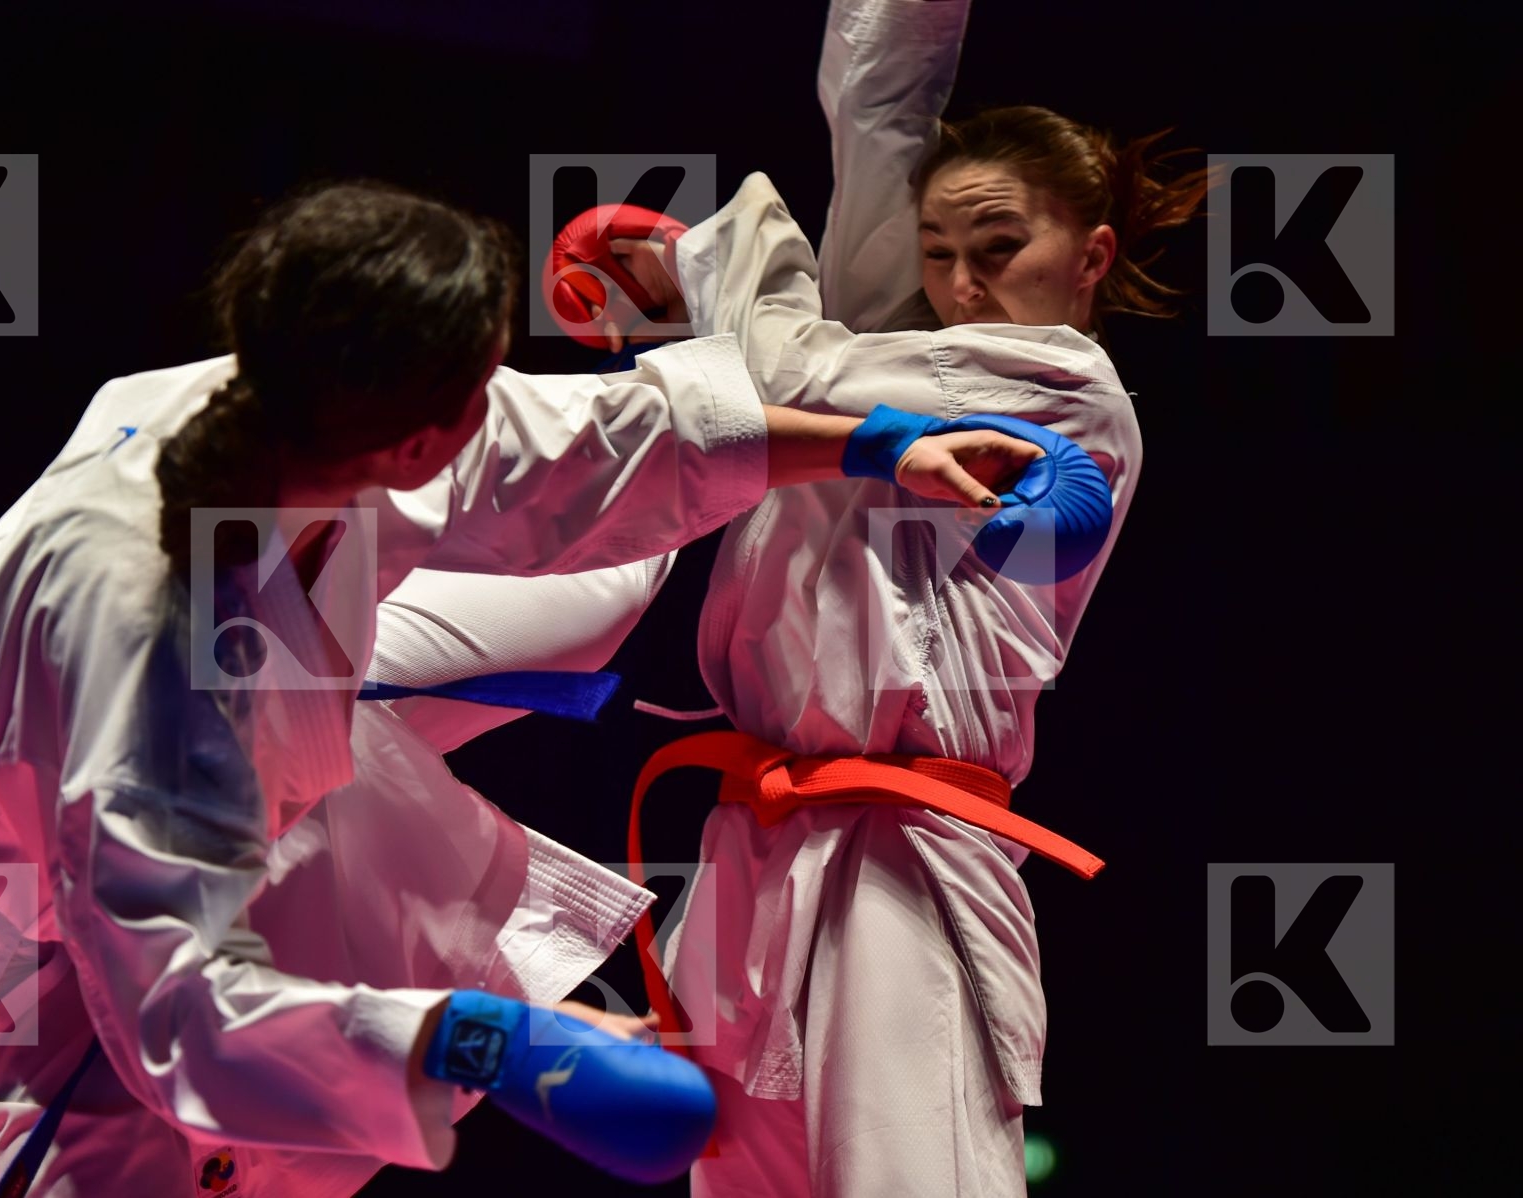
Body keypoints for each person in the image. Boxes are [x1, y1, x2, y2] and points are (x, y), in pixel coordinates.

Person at [0, 176, 1044, 1196]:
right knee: (160, 1158)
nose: (503, 397)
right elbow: (181, 1010)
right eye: (481, 382)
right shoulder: (142, 659)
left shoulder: (296, 394)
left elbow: (586, 444)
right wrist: (486, 1039)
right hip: (42, 920)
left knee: (597, 583)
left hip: (266, 698)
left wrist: (872, 443)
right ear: (412, 438)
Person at [357, 1, 1213, 1192]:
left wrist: (702, 251)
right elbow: (873, 113)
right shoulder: (902, 365)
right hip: (758, 835)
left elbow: (795, 367)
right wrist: (670, 289)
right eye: (937, 249)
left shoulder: (1066, 384)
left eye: (999, 247)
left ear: (1094, 256)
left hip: (907, 851)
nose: (960, 280)